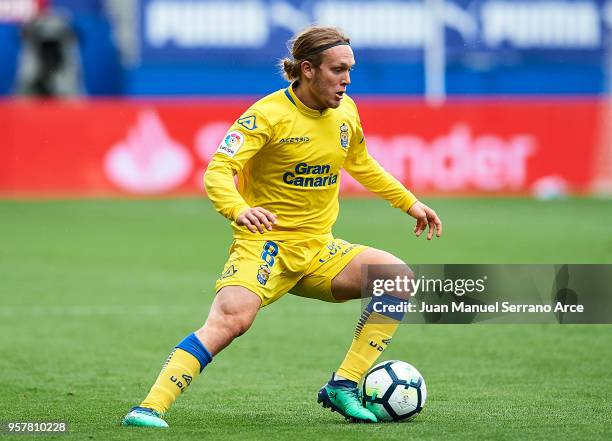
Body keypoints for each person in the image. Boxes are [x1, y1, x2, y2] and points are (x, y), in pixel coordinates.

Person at [122, 25, 442, 428]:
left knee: (395, 277)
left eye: (350, 70)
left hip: (319, 251)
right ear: (307, 69)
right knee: (230, 321)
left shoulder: (346, 112)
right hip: (265, 247)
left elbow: (362, 163)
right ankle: (149, 408)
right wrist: (238, 209)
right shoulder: (266, 116)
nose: (346, 80)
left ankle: (343, 385)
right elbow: (219, 171)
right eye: (337, 70)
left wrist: (409, 203)